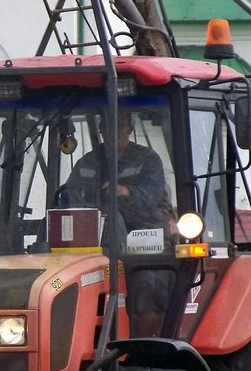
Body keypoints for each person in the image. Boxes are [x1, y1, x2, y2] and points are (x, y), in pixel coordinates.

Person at [63, 109, 174, 335]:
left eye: (119, 125)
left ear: (129, 129)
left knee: (144, 287)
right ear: (101, 128)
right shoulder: (87, 162)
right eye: (107, 125)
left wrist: (125, 191)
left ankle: (148, 342)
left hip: (142, 241)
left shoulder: (148, 160)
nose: (112, 131)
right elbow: (68, 198)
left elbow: (152, 196)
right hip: (95, 243)